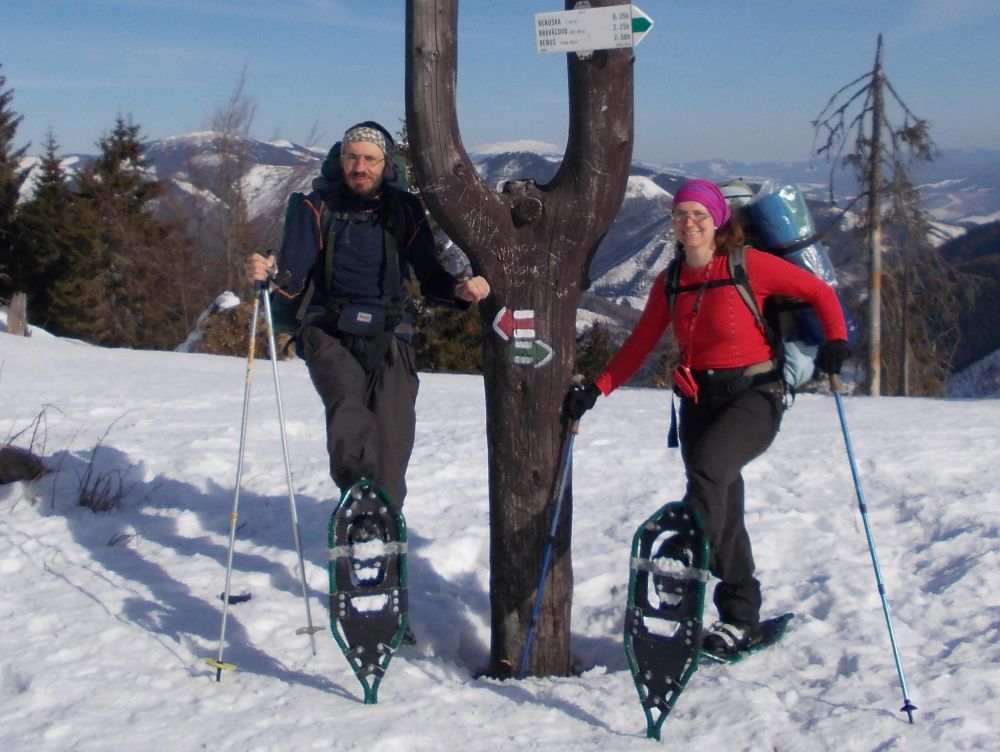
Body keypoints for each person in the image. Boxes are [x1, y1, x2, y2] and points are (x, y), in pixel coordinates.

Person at [564, 178, 849, 656]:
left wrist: (837, 340)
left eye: (699, 215)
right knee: (724, 503)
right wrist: (598, 388)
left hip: (756, 396)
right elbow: (640, 344)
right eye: (681, 216)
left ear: (718, 220)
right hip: (697, 402)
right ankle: (740, 617)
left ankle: (682, 548)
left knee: (710, 471)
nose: (689, 223)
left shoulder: (749, 265)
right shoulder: (672, 280)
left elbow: (819, 293)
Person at [246, 121, 490, 509]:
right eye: (352, 157)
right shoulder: (318, 207)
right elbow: (291, 276)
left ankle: (384, 514)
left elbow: (429, 274)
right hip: (327, 331)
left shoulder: (405, 211)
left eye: (370, 159)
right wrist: (270, 272)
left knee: (393, 436)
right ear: (340, 159)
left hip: (391, 333)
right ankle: (360, 499)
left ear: (385, 163)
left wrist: (459, 291)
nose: (360, 167)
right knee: (348, 409)